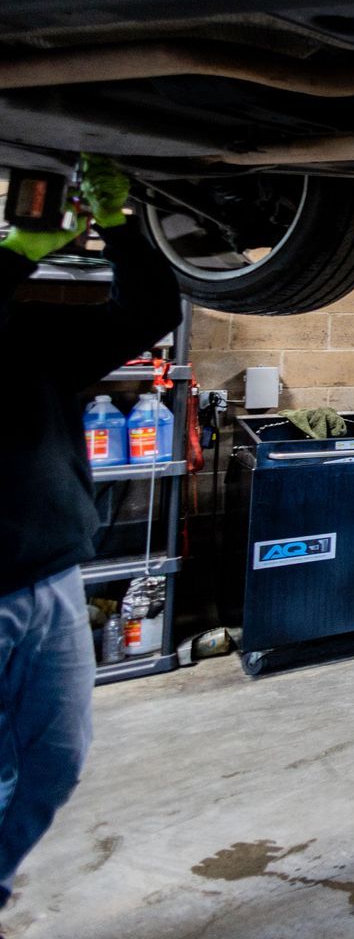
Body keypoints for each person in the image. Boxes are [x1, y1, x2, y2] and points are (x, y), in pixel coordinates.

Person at [0, 156, 179, 908]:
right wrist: (16, 250)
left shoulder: (28, 341)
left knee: (55, 762)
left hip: (51, 582)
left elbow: (149, 314)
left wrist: (121, 227)